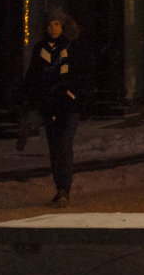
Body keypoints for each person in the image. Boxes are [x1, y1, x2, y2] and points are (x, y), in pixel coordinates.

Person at [19, 12, 92, 207]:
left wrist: (72, 94)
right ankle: (60, 187)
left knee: (63, 145)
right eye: (51, 24)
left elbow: (82, 75)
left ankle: (64, 189)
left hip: (68, 106)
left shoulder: (72, 47)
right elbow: (33, 76)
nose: (53, 28)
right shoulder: (40, 49)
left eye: (57, 24)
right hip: (49, 105)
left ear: (64, 26)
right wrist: (28, 99)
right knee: (54, 146)